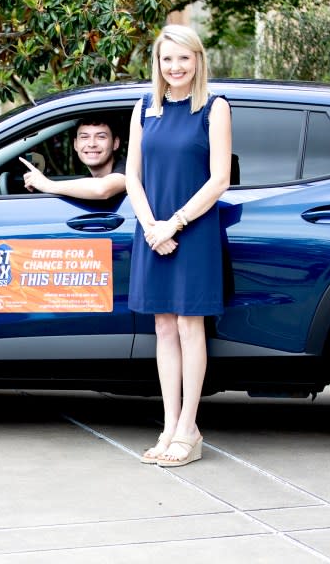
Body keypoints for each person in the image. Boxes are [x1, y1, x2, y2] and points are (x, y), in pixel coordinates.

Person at [126, 24, 232, 467]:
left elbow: (219, 179)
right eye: (167, 59)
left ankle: (190, 428)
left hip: (194, 230)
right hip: (152, 231)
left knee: (191, 327)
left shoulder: (214, 107)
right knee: (163, 329)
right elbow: (132, 175)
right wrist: (152, 225)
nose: (175, 68)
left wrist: (175, 224)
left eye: (183, 59)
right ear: (158, 63)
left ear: (198, 60)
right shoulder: (143, 107)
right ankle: (168, 425)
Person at [21, 117, 126, 199]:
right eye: (84, 137)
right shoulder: (89, 181)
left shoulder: (127, 167)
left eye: (101, 137)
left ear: (115, 143)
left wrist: (47, 184)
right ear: (76, 144)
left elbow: (102, 189)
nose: (92, 144)